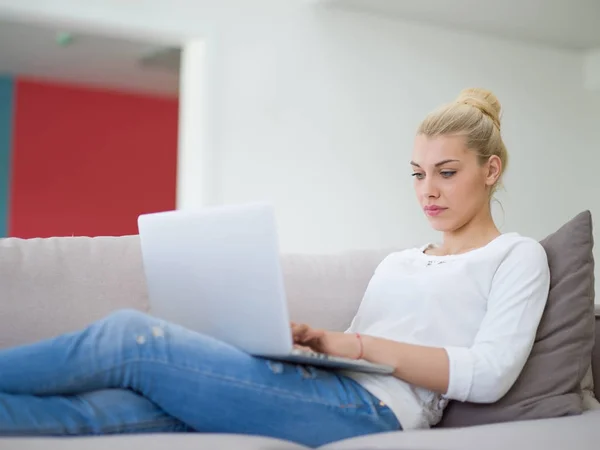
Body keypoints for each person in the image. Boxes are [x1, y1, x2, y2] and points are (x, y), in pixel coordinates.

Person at [0, 88, 550, 448]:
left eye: (446, 172)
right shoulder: (400, 262)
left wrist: (352, 346)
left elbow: (490, 373)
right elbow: (358, 345)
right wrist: (313, 346)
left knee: (130, 338)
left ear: (491, 170)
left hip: (371, 411)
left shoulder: (516, 256)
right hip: (319, 383)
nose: (427, 190)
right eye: (416, 173)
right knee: (98, 414)